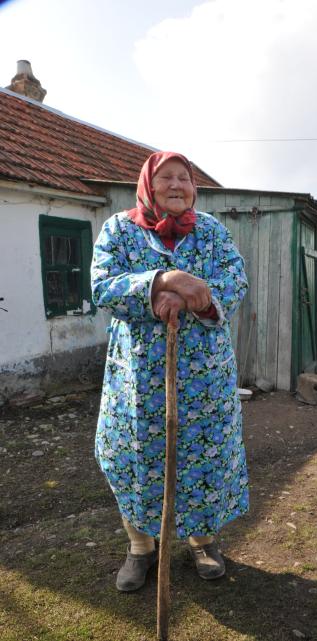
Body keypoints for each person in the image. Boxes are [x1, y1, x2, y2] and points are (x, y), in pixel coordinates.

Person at [91, 151, 249, 592]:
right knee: (135, 458)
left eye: (184, 178)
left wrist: (194, 297)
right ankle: (140, 547)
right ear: (147, 184)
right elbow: (103, 284)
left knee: (205, 459)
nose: (176, 185)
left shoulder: (212, 231)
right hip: (138, 381)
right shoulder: (119, 230)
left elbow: (235, 279)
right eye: (167, 178)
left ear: (194, 188)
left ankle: (203, 542)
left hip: (204, 379)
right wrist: (162, 280)